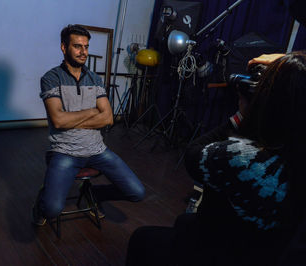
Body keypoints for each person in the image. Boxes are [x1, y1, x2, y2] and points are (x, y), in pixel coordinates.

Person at [126, 51, 306, 265]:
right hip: (267, 249)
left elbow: (193, 154)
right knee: (183, 220)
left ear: (269, 101)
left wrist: (243, 115)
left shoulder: (243, 157)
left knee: (142, 238)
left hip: (224, 250)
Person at [32, 24, 145, 226]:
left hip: (97, 151)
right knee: (51, 210)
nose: (83, 52)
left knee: (137, 192)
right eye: (77, 46)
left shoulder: (94, 79)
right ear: (63, 47)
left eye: (86, 47)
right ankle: (43, 199)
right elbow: (58, 120)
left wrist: (72, 118)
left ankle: (94, 193)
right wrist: (92, 112)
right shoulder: (51, 78)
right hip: (64, 151)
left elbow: (108, 118)